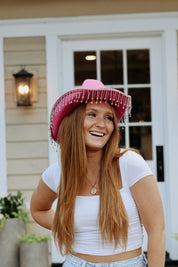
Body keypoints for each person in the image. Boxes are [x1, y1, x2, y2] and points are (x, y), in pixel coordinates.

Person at [30, 79, 165, 267]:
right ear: (74, 122)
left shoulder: (129, 164)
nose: (102, 124)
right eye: (92, 115)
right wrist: (66, 225)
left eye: (108, 117)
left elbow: (156, 229)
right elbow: (38, 209)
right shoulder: (57, 173)